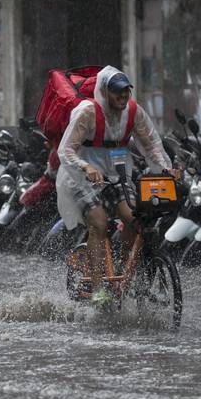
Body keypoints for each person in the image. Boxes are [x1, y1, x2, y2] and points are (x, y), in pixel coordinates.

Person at [56, 66, 176, 297]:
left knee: (136, 219)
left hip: (117, 176)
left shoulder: (133, 112)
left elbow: (151, 145)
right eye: (116, 92)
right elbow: (66, 150)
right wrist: (86, 166)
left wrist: (167, 170)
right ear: (104, 92)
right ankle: (100, 289)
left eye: (126, 91)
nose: (122, 96)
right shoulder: (88, 113)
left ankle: (123, 268)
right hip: (82, 178)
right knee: (99, 223)